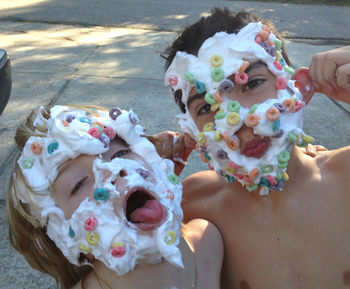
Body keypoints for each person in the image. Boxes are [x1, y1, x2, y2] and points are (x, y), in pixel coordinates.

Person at [162, 7, 350, 289]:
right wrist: (151, 184)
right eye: (206, 107)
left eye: (253, 83)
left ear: (297, 87)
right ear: (192, 131)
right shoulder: (192, 205)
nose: (236, 121)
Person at [7, 104, 223, 289]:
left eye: (120, 154)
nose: (113, 170)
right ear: (61, 237)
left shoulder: (208, 241)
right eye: (78, 184)